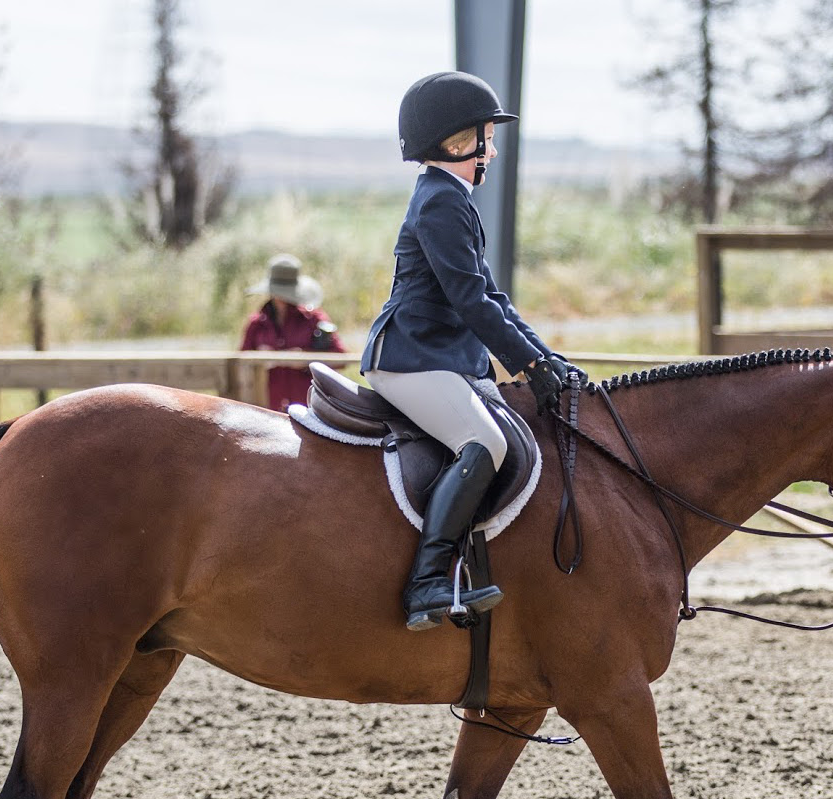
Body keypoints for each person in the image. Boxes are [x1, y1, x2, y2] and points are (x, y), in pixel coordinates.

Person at [361, 70, 582, 631]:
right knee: (482, 440)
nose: (495, 147)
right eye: (488, 134)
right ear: (460, 141)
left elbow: (491, 297)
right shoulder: (440, 201)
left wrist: (545, 357)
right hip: (410, 357)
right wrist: (529, 366)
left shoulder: (450, 198)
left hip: (440, 355)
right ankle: (429, 581)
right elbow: (469, 302)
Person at [240, 253, 345, 412]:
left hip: (308, 409)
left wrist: (306, 360)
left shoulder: (314, 318)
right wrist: (258, 360)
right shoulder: (256, 324)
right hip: (267, 410)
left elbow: (340, 357)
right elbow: (240, 363)